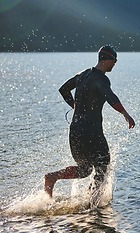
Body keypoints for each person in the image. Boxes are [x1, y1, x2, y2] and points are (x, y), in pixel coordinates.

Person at [44, 45, 135, 198]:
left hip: (75, 129)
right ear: (107, 60)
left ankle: (52, 177)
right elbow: (110, 96)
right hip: (91, 131)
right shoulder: (101, 79)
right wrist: (125, 113)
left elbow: (64, 89)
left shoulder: (82, 75)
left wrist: (74, 106)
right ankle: (92, 202)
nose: (115, 63)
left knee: (85, 169)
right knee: (103, 166)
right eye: (114, 60)